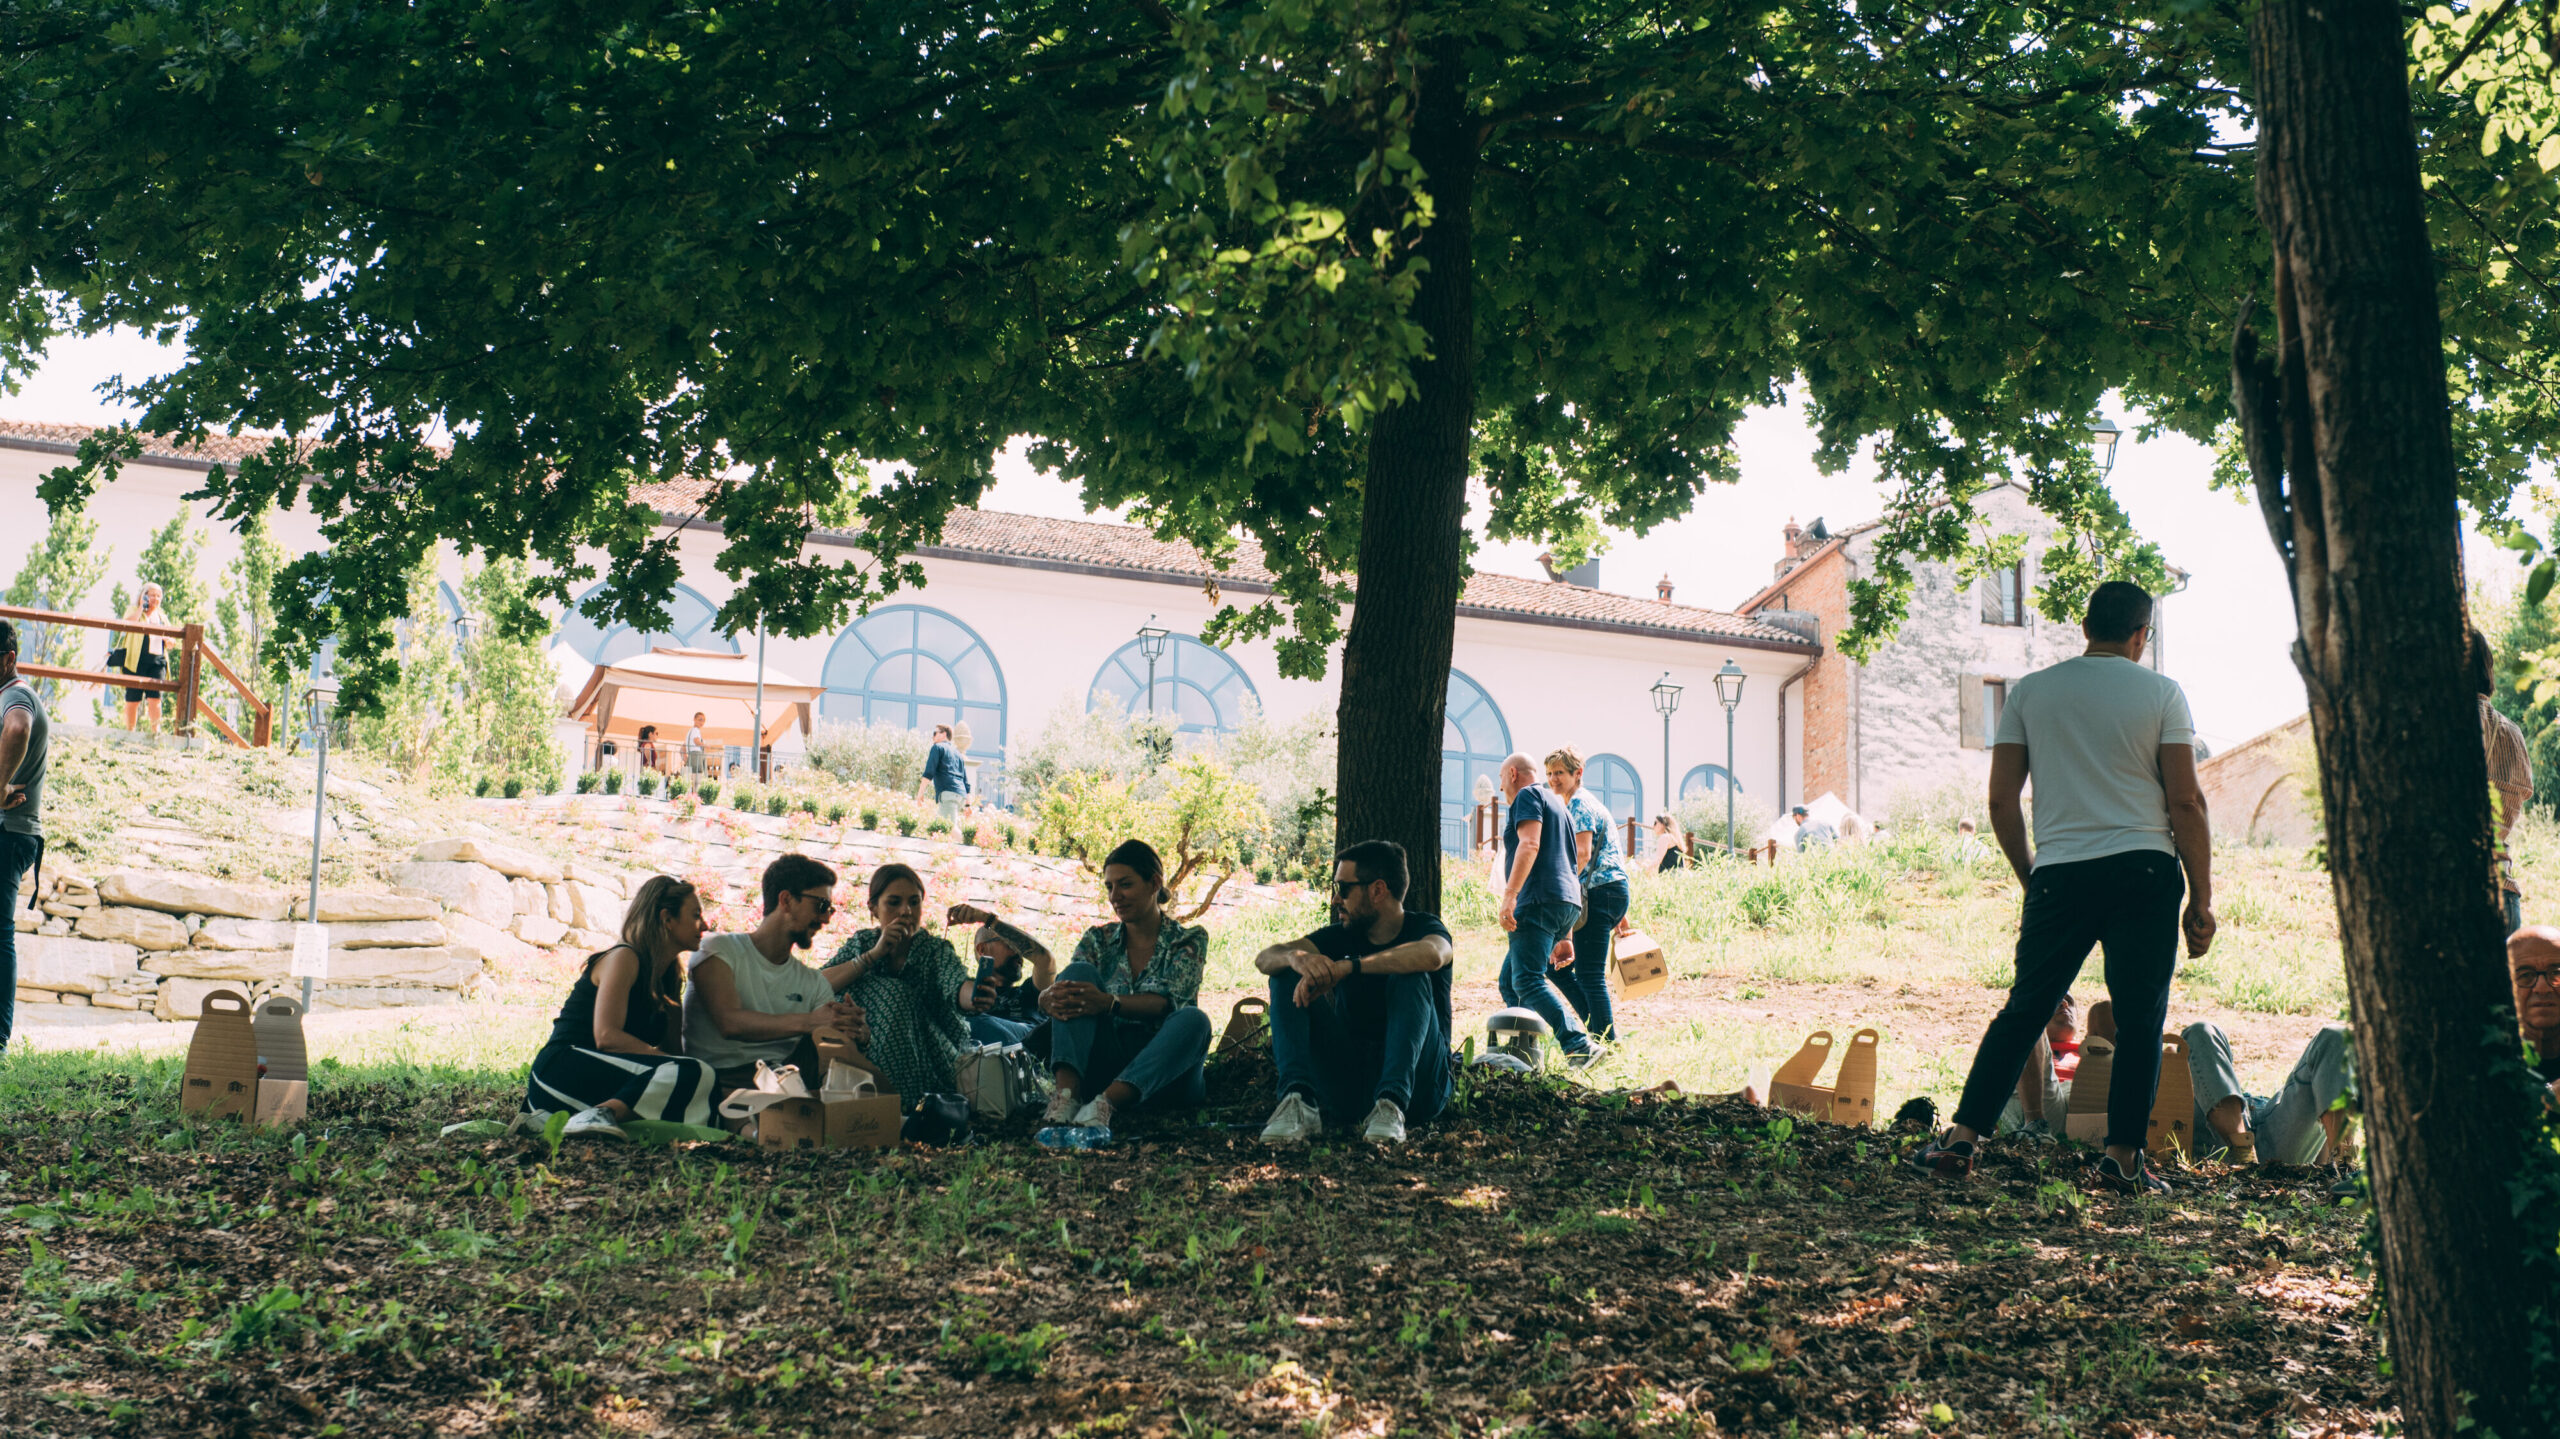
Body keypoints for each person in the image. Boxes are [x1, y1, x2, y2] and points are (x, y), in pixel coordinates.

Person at [1915, 580, 2216, 1194]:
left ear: (2085, 627)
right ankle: (2122, 1159)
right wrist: (2201, 897)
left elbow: (2001, 800)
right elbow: (2186, 800)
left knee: (2026, 1009)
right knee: (2138, 1019)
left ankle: (1962, 1142)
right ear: (2141, 634)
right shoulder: (2163, 693)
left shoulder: (2030, 693)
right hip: (2144, 869)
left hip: (2061, 873)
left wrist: (2033, 874)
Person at [1255, 840, 1455, 1146]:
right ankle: (1297, 1101)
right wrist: (1297, 958)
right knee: (1284, 974)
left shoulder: (1425, 928)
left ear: (1377, 890)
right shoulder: (1340, 935)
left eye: (1343, 888)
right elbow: (1266, 958)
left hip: (1421, 1088)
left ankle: (1391, 1105)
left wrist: (1351, 967)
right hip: (1352, 1083)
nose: (1336, 899)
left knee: (1411, 976)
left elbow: (1433, 955)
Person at [524, 876, 722, 1139]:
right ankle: (599, 1115)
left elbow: (674, 1054)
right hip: (562, 1069)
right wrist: (685, 1067)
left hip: (606, 1079)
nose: (705, 925)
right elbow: (607, 1037)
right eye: (695, 915)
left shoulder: (670, 980)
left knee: (703, 1081)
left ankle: (584, 1117)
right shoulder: (625, 957)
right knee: (696, 1071)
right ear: (667, 919)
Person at [1038, 839, 1214, 1129]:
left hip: (1164, 1074)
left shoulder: (1188, 940)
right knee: (1077, 974)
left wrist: (1109, 1003)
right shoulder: (1098, 940)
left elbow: (1171, 1002)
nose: (1115, 896)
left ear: (1154, 883)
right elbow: (1069, 994)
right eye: (1109, 887)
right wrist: (1047, 997)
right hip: (1106, 1063)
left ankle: (1106, 1103)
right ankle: (1066, 1098)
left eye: (1125, 885)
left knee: (1195, 1020)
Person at [683, 854, 872, 1098]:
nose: (825, 919)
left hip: (786, 1080)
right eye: (821, 906)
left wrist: (856, 1032)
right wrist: (810, 1022)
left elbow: (830, 1033)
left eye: (830, 910)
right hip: (717, 1080)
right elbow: (730, 1023)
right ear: (786, 900)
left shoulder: (812, 982)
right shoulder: (718, 950)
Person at [828, 864, 974, 1100]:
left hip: (935, 1065)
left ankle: (894, 1106)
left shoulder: (934, 951)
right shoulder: (863, 943)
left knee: (894, 994)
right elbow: (817, 985)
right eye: (894, 903)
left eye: (914, 902)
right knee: (839, 994)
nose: (906, 911)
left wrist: (977, 994)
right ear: (874, 909)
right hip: (868, 1053)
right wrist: (873, 955)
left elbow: (957, 985)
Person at [1495, 753, 1596, 1065]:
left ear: (1512, 774)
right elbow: (1570, 860)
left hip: (1537, 901)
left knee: (1525, 979)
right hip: (1565, 903)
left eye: (1500, 781)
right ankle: (1524, 1049)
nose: (1500, 789)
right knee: (1509, 979)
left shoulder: (1527, 795)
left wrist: (1510, 895)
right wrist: (1565, 933)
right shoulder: (1559, 804)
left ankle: (1579, 1045)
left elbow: (1530, 844)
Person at [1545, 748, 1631, 1042]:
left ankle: (1607, 1041)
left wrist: (1561, 891)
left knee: (1589, 974)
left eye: (1560, 773)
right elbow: (1603, 857)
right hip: (1607, 892)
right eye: (1550, 774)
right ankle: (1598, 1033)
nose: (1553, 779)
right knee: (1559, 969)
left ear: (1576, 774)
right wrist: (1621, 915)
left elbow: (1582, 855)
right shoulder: (1583, 803)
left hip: (1598, 893)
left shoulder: (1579, 805)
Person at [2180, 1020, 2354, 1166]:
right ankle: (2242, 1151)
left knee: (2337, 1035)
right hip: (2221, 1140)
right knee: (2201, 1031)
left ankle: (2343, 1163)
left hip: (2280, 1140)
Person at [0, 619, 48, 1058]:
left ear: (9, 659)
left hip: (8, 833)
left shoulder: (15, 695)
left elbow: (17, 728)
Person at [2474, 628, 2534, 934]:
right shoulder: (2512, 732)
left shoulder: (2437, 726)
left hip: (2458, 891)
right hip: (2503, 889)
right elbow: (2522, 792)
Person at [950, 903, 1055, 1046]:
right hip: (985, 1058)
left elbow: (1045, 959)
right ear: (982, 950)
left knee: (974, 1021)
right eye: (1010, 945)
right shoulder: (967, 996)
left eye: (1020, 948)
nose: (1019, 954)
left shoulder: (1030, 992)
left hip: (1030, 1048)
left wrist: (987, 919)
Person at [2509, 927, 2560, 1109]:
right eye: (2525, 975)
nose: (2542, 988)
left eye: (2556, 972)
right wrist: (2550, 1099)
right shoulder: (2495, 1060)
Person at [111, 583, 171, 737]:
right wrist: (141, 608)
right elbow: (127, 624)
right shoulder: (134, 610)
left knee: (155, 698)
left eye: (158, 596)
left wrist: (168, 640)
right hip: (136, 659)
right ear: (144, 595)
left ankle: (155, 733)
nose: (155, 599)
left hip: (157, 661)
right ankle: (130, 732)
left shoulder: (162, 617)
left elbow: (171, 641)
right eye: (151, 595)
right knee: (133, 699)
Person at [922, 723, 971, 823]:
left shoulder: (937, 748)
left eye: (935, 733)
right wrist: (967, 805)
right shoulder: (958, 754)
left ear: (944, 734)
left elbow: (929, 772)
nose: (933, 736)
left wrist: (920, 794)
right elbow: (965, 781)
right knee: (939, 827)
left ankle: (964, 839)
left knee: (949, 827)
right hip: (960, 795)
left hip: (948, 793)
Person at [686, 712, 708, 777]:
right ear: (694, 719)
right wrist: (705, 745)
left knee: (693, 775)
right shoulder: (696, 730)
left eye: (703, 720)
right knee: (698, 775)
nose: (702, 722)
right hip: (696, 755)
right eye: (700, 720)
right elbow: (696, 741)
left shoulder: (690, 731)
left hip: (692, 755)